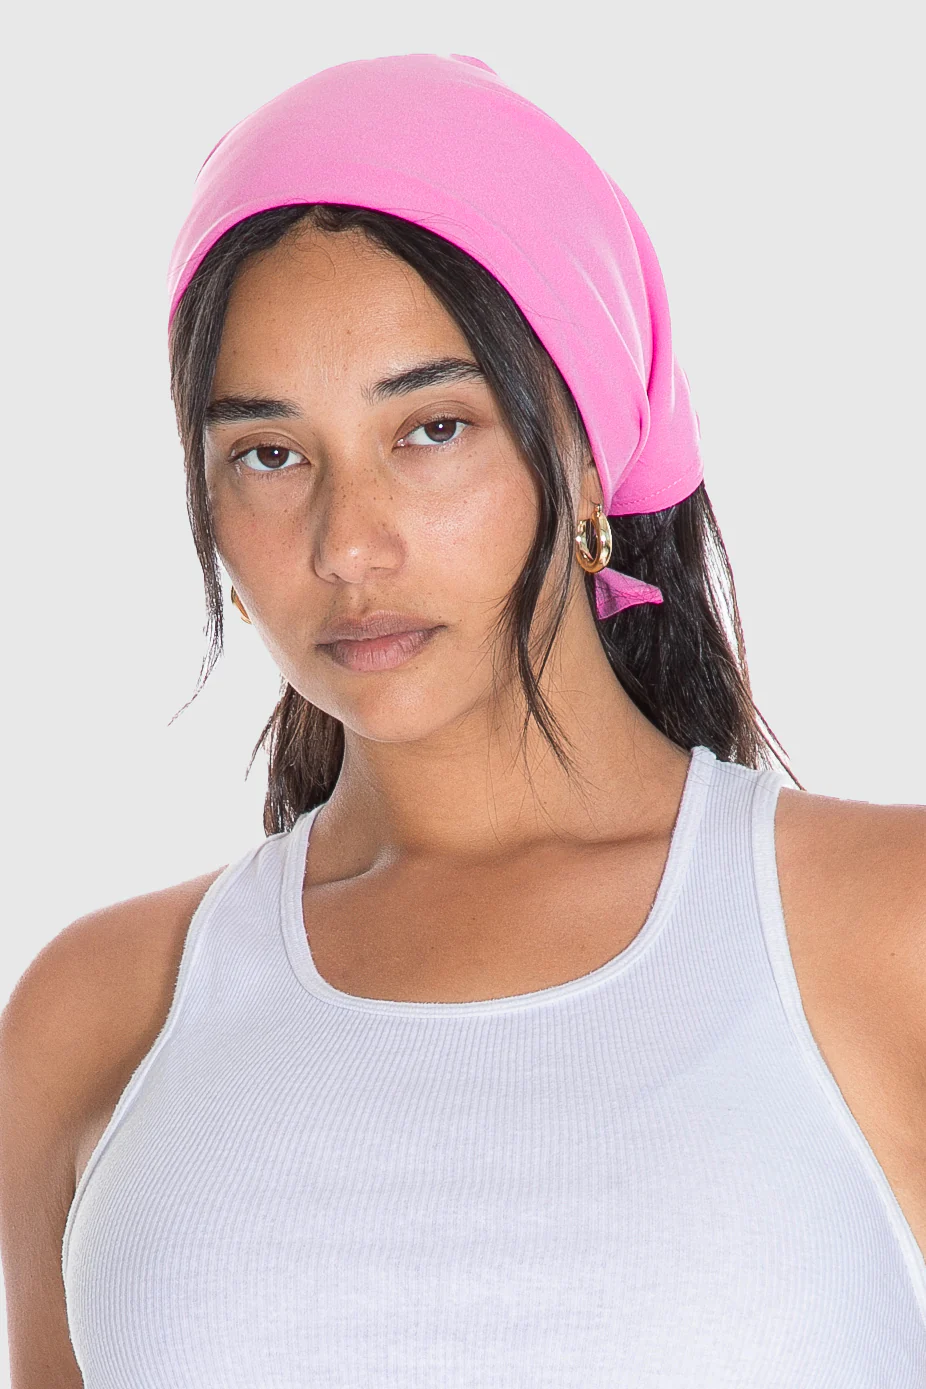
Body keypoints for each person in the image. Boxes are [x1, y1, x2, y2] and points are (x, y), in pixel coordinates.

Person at [2, 52, 924, 1389]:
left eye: (432, 429)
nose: (348, 545)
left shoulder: (883, 928)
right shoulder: (97, 1015)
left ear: (588, 446)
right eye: (269, 454)